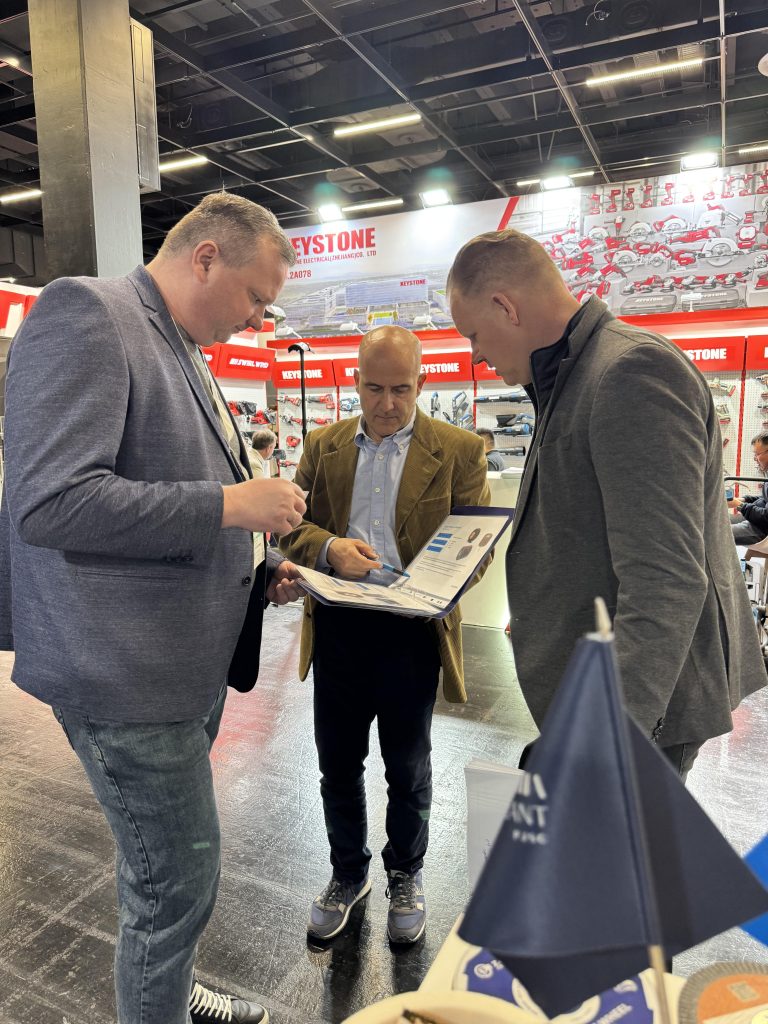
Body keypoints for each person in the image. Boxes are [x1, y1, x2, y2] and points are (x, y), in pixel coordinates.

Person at [0, 194, 308, 1024]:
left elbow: (164, 486)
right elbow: (52, 503)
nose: (258, 319)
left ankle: (166, 987)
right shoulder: (87, 314)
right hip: (124, 673)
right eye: (255, 296)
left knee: (163, 874)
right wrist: (231, 506)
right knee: (176, 880)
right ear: (206, 257)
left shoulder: (182, 344)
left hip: (180, 665)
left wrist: (260, 565)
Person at [447, 228, 766, 782]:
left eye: (473, 334)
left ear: (506, 307)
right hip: (602, 688)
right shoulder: (574, 373)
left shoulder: (629, 373)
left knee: (624, 842)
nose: (475, 355)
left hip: (639, 709)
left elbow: (665, 580)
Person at [278, 326, 490, 944]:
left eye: (401, 389)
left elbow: (477, 549)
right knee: (337, 763)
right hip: (338, 628)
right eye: (374, 388)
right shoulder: (324, 446)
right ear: (355, 382)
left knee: (408, 766)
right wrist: (329, 549)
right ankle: (348, 873)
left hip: (411, 634)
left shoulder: (459, 450)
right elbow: (289, 526)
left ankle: (406, 872)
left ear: (421, 383)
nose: (388, 404)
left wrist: (437, 585)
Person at [730, 432, 768, 545]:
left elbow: (766, 517)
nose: (755, 458)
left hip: (762, 529)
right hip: (757, 521)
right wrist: (744, 499)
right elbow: (765, 498)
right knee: (718, 520)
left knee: (714, 533)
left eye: (757, 454)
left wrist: (740, 505)